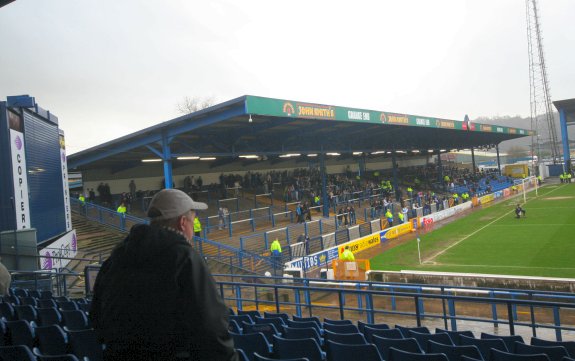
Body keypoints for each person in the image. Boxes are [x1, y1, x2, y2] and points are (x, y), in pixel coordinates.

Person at [90, 189, 237, 361]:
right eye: (193, 221)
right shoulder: (184, 258)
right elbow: (211, 326)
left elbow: (96, 315)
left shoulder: (118, 255)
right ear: (183, 223)